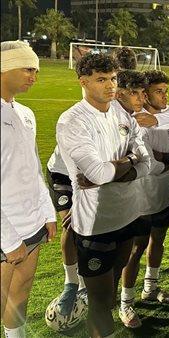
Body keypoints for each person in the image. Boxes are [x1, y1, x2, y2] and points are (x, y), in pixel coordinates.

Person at [56, 53, 151, 338]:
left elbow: (147, 164)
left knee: (109, 295)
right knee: (99, 303)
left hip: (127, 214)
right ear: (83, 81)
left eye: (112, 79)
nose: (110, 86)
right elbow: (96, 174)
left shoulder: (122, 114)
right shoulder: (72, 120)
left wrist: (126, 164)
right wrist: (130, 160)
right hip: (96, 225)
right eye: (101, 79)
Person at [1, 40, 57, 338]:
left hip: (31, 223)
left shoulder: (25, 113)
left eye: (36, 70)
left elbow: (34, 168)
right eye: (28, 68)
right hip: (4, 232)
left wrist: (47, 212)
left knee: (21, 293)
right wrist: (8, 240)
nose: (34, 76)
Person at [115, 70, 169, 328]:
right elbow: (145, 162)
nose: (164, 96)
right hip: (142, 196)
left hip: (165, 194)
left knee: (159, 241)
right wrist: (167, 161)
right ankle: (126, 302)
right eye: (158, 91)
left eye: (166, 91)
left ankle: (150, 288)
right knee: (136, 247)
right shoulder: (134, 122)